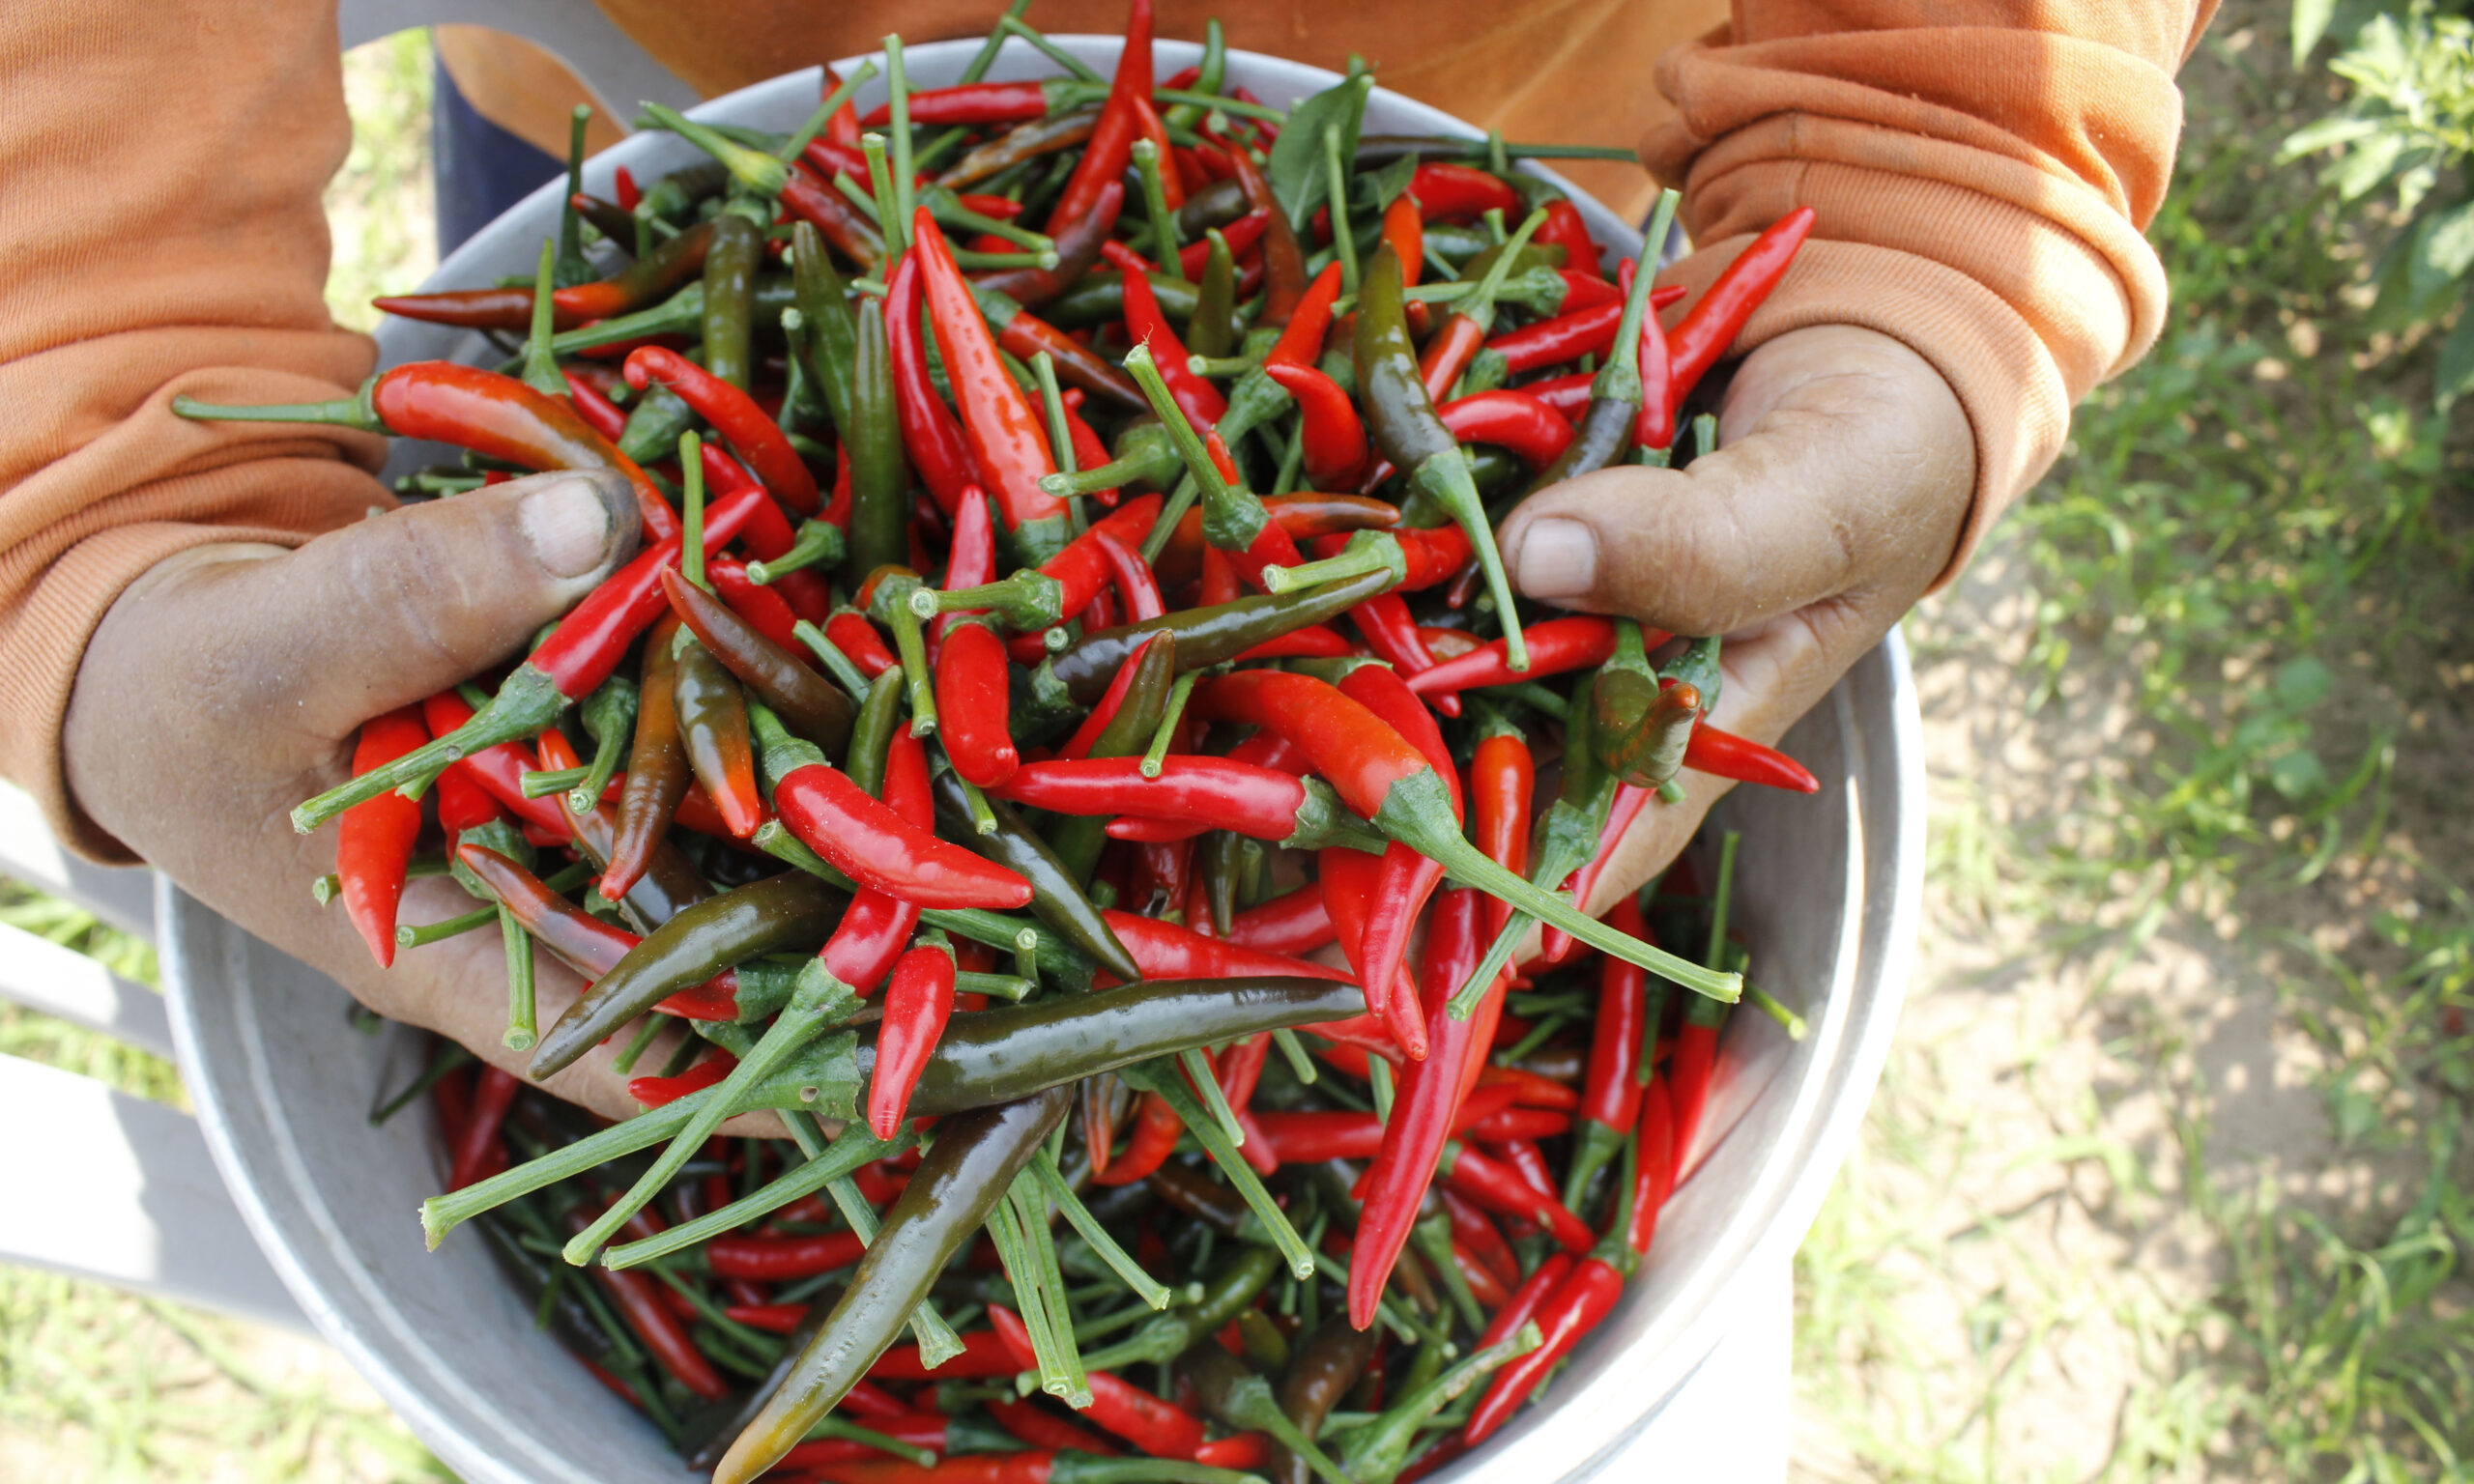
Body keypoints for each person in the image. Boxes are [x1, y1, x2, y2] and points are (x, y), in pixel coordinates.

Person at [0, 0, 2214, 1114]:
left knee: (1539, 552)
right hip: (679, 88)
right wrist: (91, 421)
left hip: (1522, 179)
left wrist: (1936, 149)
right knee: (658, 308)